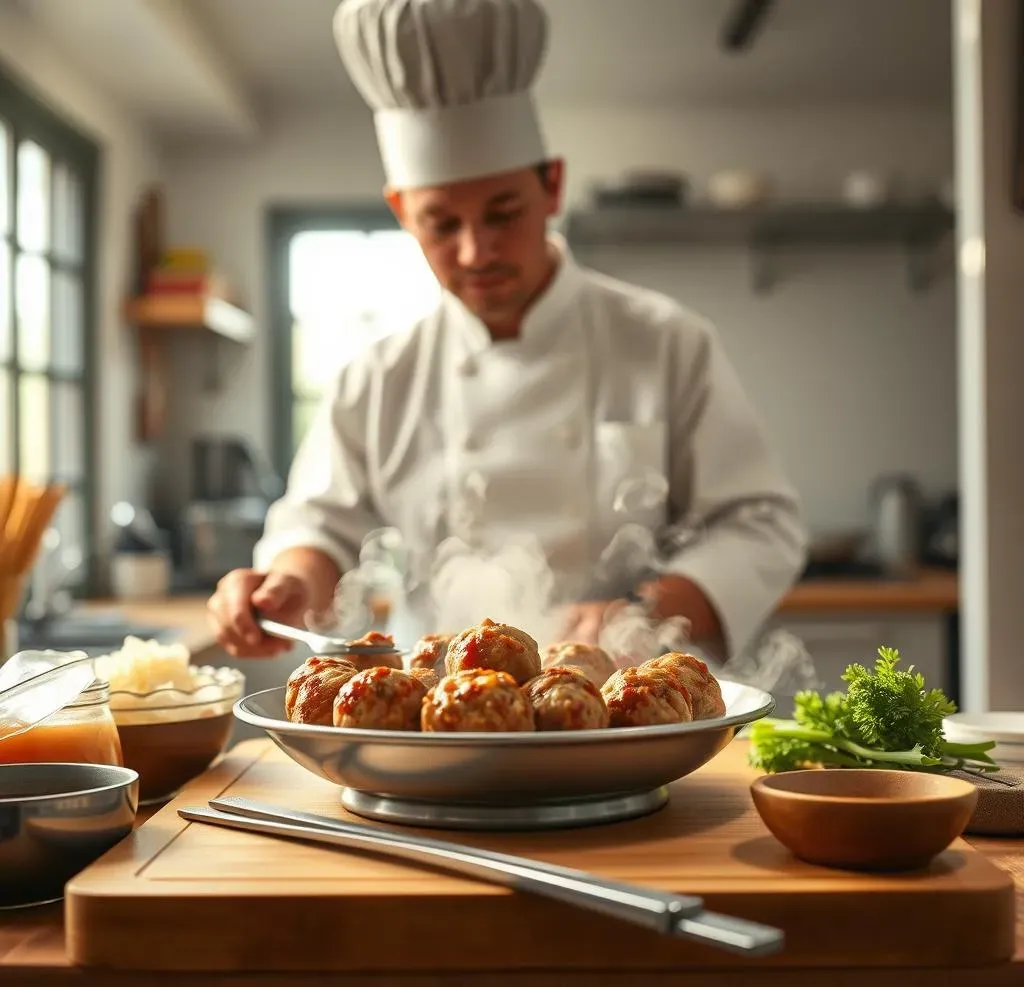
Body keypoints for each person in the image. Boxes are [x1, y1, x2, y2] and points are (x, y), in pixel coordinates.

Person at [208, 0, 807, 664]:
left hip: (622, 702)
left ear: (551, 187)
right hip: (434, 717)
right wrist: (288, 585)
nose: (476, 251)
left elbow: (761, 524)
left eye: (503, 212)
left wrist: (643, 612)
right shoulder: (379, 377)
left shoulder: (666, 341)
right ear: (402, 212)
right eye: (442, 224)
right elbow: (319, 526)